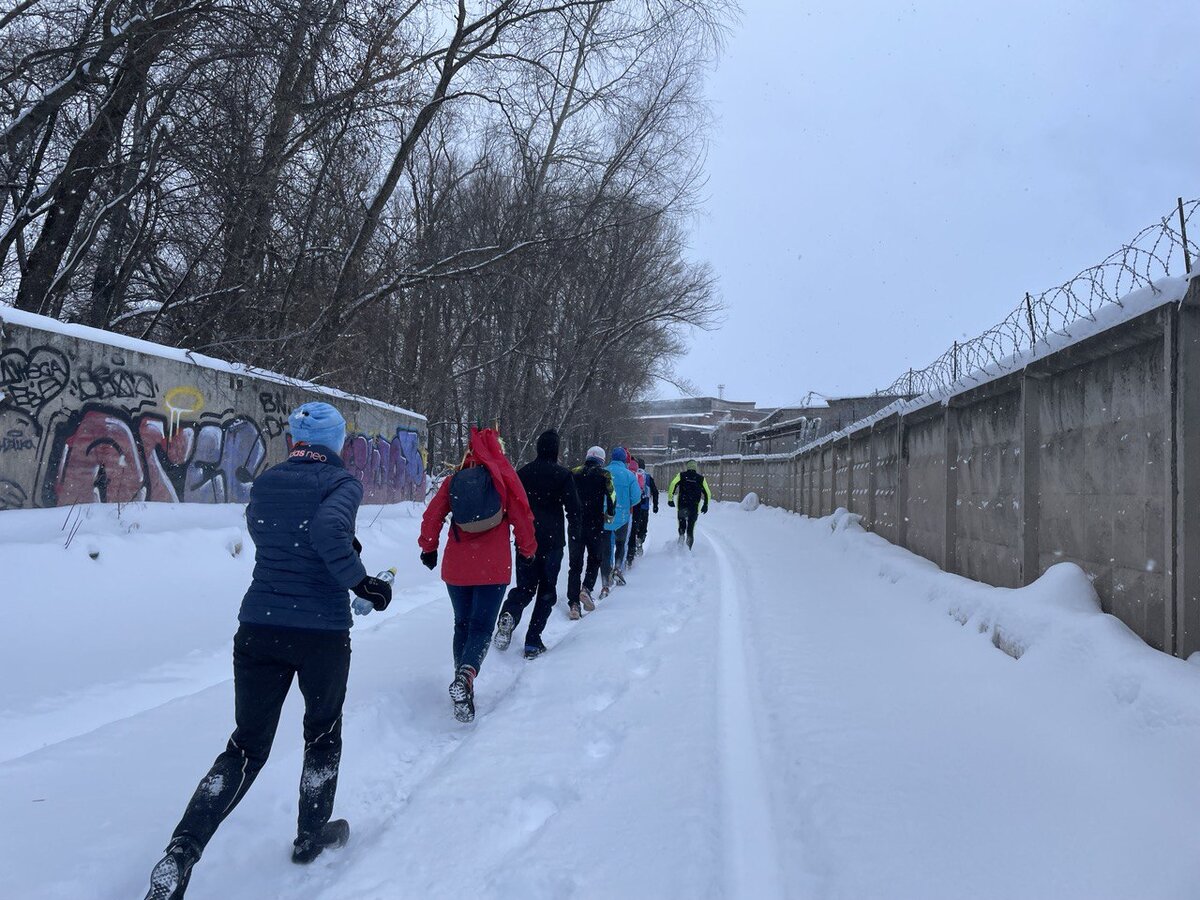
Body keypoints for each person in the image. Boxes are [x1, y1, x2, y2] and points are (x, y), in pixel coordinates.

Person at [143, 402, 393, 900]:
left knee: (245, 747)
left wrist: (341, 547)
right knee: (321, 735)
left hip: (260, 627)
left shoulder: (269, 482)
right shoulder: (343, 483)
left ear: (295, 441)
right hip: (320, 633)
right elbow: (322, 532)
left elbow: (279, 535)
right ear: (336, 442)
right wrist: (361, 583)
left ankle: (180, 853)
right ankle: (308, 836)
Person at [419, 426, 536, 722]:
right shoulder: (504, 477)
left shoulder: (454, 479)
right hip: (493, 568)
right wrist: (527, 550)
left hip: (457, 567)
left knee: (462, 624)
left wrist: (428, 548)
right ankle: (467, 676)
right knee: (482, 627)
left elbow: (433, 515)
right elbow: (522, 516)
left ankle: (463, 680)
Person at [492, 430, 580, 659]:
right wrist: (575, 536)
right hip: (552, 542)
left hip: (525, 540)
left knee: (525, 588)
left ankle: (509, 613)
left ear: (538, 448)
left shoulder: (523, 473)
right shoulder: (563, 475)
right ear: (556, 450)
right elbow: (574, 510)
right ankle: (532, 641)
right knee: (547, 591)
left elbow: (509, 505)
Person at [567, 446, 616, 618]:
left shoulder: (574, 472)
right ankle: (586, 588)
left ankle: (573, 604)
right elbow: (612, 496)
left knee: (575, 565)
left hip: (575, 524)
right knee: (595, 559)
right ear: (602, 460)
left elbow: (566, 495)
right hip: (595, 523)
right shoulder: (604, 475)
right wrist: (610, 513)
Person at [602, 446, 642, 595]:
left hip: (605, 515)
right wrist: (625, 505)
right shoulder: (630, 476)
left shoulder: (604, 472)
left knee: (606, 549)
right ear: (625, 459)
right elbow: (636, 497)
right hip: (623, 516)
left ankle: (605, 580)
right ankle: (618, 568)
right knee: (620, 543)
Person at [667, 459, 711, 550]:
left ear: (687, 467)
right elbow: (708, 493)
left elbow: (673, 484)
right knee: (691, 528)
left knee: (682, 524)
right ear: (695, 467)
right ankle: (688, 550)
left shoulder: (681, 475)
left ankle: (681, 538)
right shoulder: (701, 479)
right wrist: (706, 505)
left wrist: (670, 499)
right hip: (694, 507)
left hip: (683, 504)